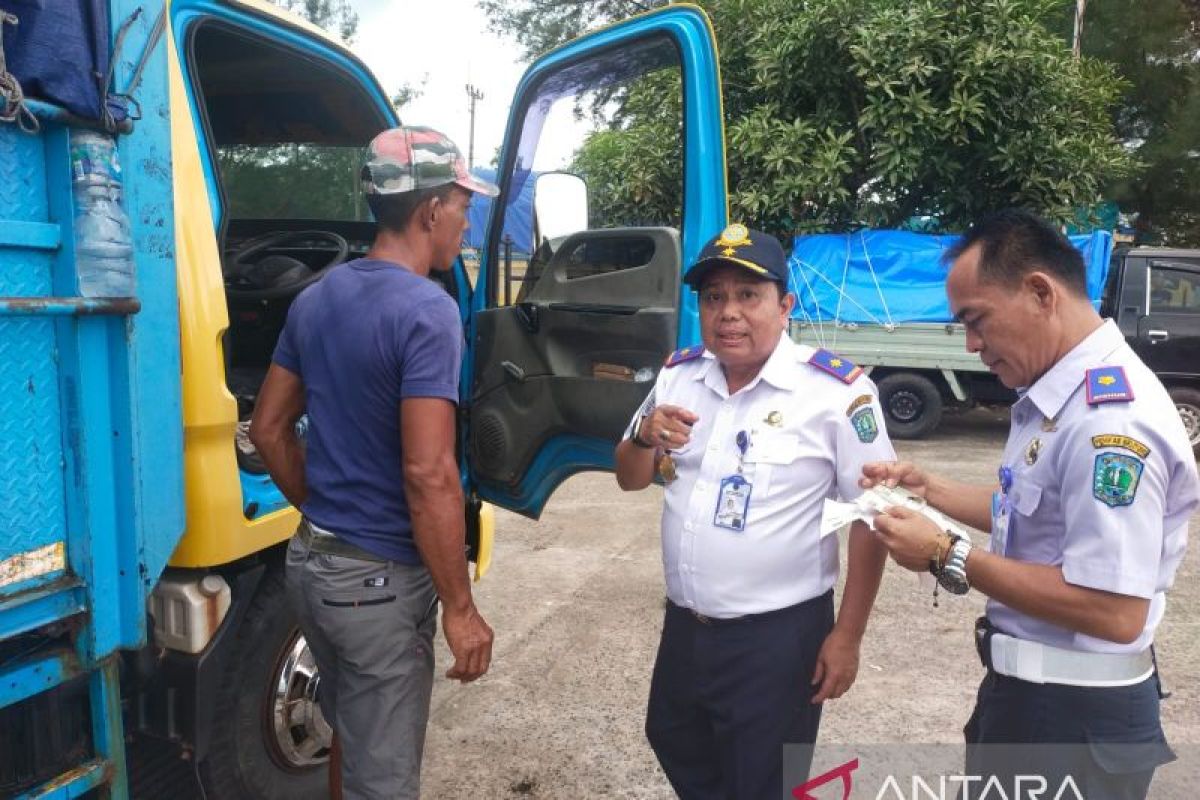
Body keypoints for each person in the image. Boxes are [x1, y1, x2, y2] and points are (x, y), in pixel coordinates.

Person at [861, 209, 1199, 798]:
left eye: (976, 320)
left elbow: (1113, 610)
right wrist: (929, 488)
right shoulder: (1059, 395)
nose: (971, 345)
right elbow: (1037, 510)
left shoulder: (1108, 420)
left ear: (1040, 291)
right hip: (1036, 705)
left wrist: (946, 552)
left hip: (1072, 719)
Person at [250, 126, 497, 800]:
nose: (465, 224)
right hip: (377, 590)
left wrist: (329, 515)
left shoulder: (316, 298)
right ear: (429, 211)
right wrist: (460, 607)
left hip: (310, 568)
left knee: (349, 733)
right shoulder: (428, 311)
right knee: (383, 781)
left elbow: (268, 430)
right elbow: (429, 473)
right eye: (462, 206)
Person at [614, 224, 896, 800]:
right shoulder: (680, 374)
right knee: (672, 737)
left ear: (785, 305)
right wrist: (644, 437)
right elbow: (628, 477)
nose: (728, 314)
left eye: (748, 296)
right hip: (686, 629)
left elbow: (873, 520)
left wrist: (848, 634)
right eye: (713, 297)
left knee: (761, 781)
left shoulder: (838, 393)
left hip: (776, 638)